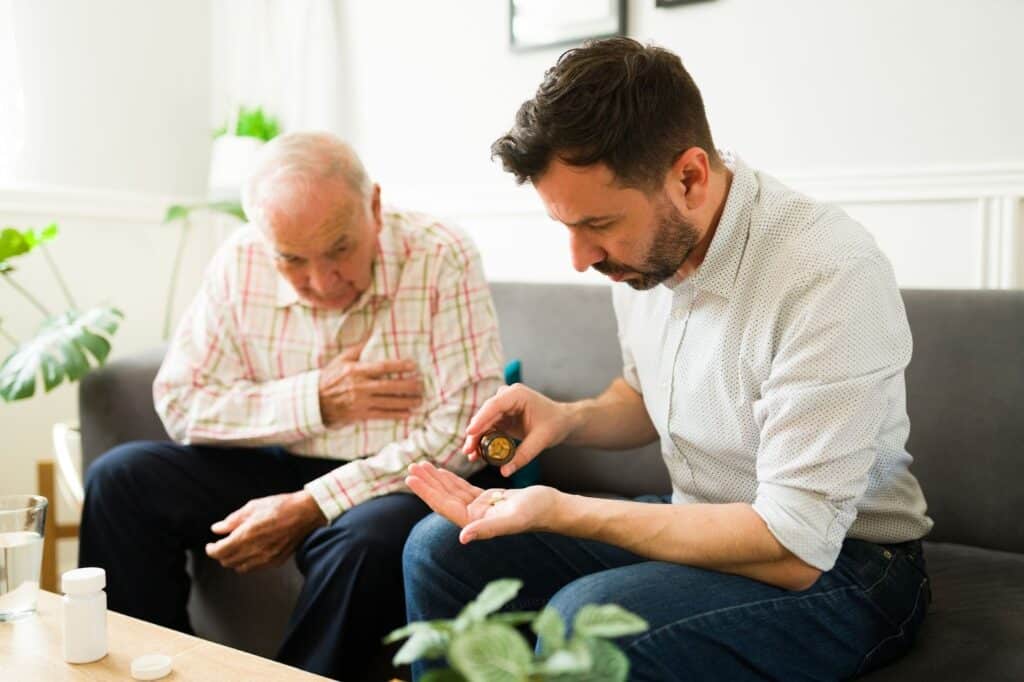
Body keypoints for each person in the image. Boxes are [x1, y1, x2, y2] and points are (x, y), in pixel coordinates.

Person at [402, 38, 932, 681]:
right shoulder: (644, 260)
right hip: (700, 520)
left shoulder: (826, 273)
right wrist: (566, 418)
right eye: (564, 226)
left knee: (587, 618)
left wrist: (562, 508)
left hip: (847, 561)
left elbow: (794, 547)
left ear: (689, 177)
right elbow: (641, 396)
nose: (578, 258)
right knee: (440, 549)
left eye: (597, 224)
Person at [78, 131, 504, 680]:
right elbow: (183, 402)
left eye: (339, 249)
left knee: (365, 544)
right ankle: (146, 671)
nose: (321, 282)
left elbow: (459, 435)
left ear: (373, 205)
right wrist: (317, 400)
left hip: (396, 480)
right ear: (262, 235)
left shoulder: (441, 254)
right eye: (292, 261)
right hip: (279, 460)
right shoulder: (240, 261)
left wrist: (313, 503)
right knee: (122, 478)